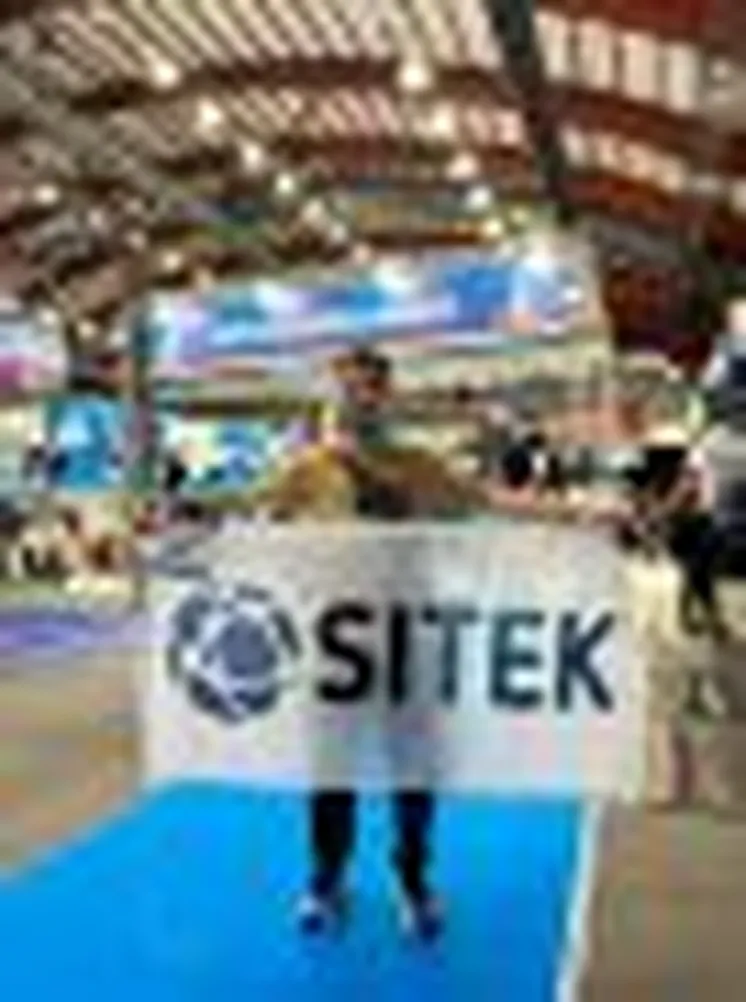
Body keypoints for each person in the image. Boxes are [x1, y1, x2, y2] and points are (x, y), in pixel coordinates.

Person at [254, 347, 493, 939]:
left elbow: (485, 506)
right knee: (330, 768)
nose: (361, 398)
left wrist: (584, 518)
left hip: (409, 632)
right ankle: (326, 879)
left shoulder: (420, 467)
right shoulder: (304, 472)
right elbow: (254, 532)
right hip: (335, 641)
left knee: (414, 767)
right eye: (351, 387)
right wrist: (173, 537)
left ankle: (413, 879)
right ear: (334, 395)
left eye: (371, 387)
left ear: (388, 395)